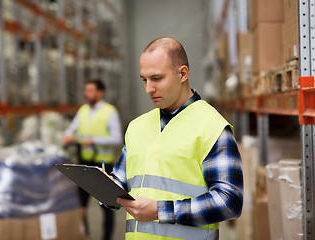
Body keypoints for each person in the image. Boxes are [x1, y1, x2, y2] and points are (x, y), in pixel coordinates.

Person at [110, 38, 243, 240]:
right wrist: (104, 187)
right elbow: (120, 181)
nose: (148, 89)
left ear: (182, 74)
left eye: (156, 78)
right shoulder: (136, 126)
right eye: (144, 80)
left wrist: (159, 211)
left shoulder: (212, 127)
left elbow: (229, 201)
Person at [63, 79, 122, 240]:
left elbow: (117, 138)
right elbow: (71, 129)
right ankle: (85, 235)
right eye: (85, 90)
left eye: (90, 90)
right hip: (84, 164)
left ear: (99, 93)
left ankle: (106, 237)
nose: (86, 94)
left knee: (107, 205)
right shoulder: (83, 110)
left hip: (102, 166)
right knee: (80, 204)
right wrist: (68, 136)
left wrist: (93, 140)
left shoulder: (109, 112)